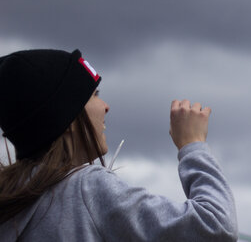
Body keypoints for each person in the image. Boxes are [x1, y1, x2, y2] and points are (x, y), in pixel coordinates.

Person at [0, 48, 238, 241]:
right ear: (67, 117)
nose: (106, 106)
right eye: (94, 95)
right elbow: (216, 225)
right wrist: (193, 145)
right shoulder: (87, 188)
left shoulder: (12, 205)